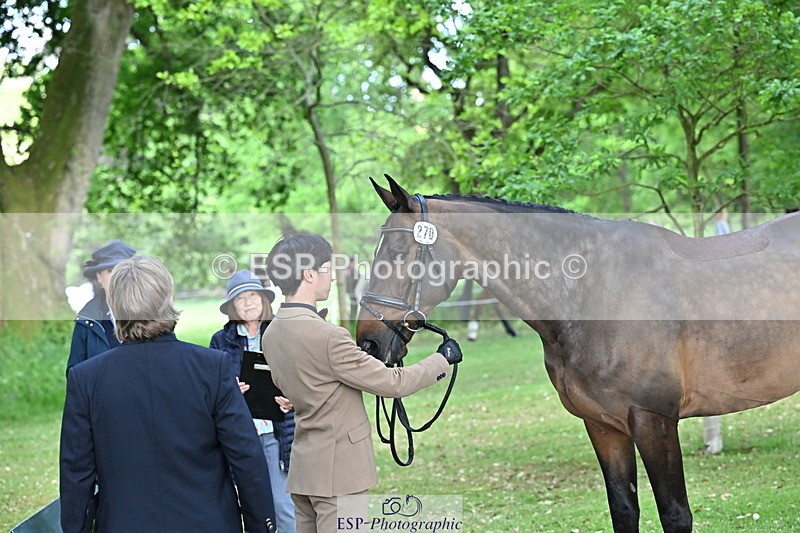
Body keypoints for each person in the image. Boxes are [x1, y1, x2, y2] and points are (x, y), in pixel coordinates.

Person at [262, 234, 462, 532]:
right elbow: (395, 384)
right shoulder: (329, 336)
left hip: (305, 469)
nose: (331, 276)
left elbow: (310, 381)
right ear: (309, 274)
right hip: (338, 472)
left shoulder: (271, 333)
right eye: (327, 268)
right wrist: (442, 360)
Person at [60, 256, 275, 533]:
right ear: (168, 298)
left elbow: (76, 475)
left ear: (114, 306)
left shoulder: (87, 378)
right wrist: (262, 527)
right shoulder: (211, 367)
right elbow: (247, 458)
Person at [211, 269, 296, 533]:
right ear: (232, 306)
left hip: (275, 431)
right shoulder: (221, 341)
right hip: (240, 433)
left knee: (282, 503)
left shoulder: (281, 333)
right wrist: (229, 389)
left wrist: (291, 398)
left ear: (263, 300)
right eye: (240, 299)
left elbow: (300, 377)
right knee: (251, 505)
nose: (248, 303)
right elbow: (212, 390)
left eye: (253, 296)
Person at [66, 239, 136, 373]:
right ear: (99, 276)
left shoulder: (152, 312)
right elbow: (75, 375)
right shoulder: (87, 319)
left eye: (122, 269)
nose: (117, 276)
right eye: (110, 270)